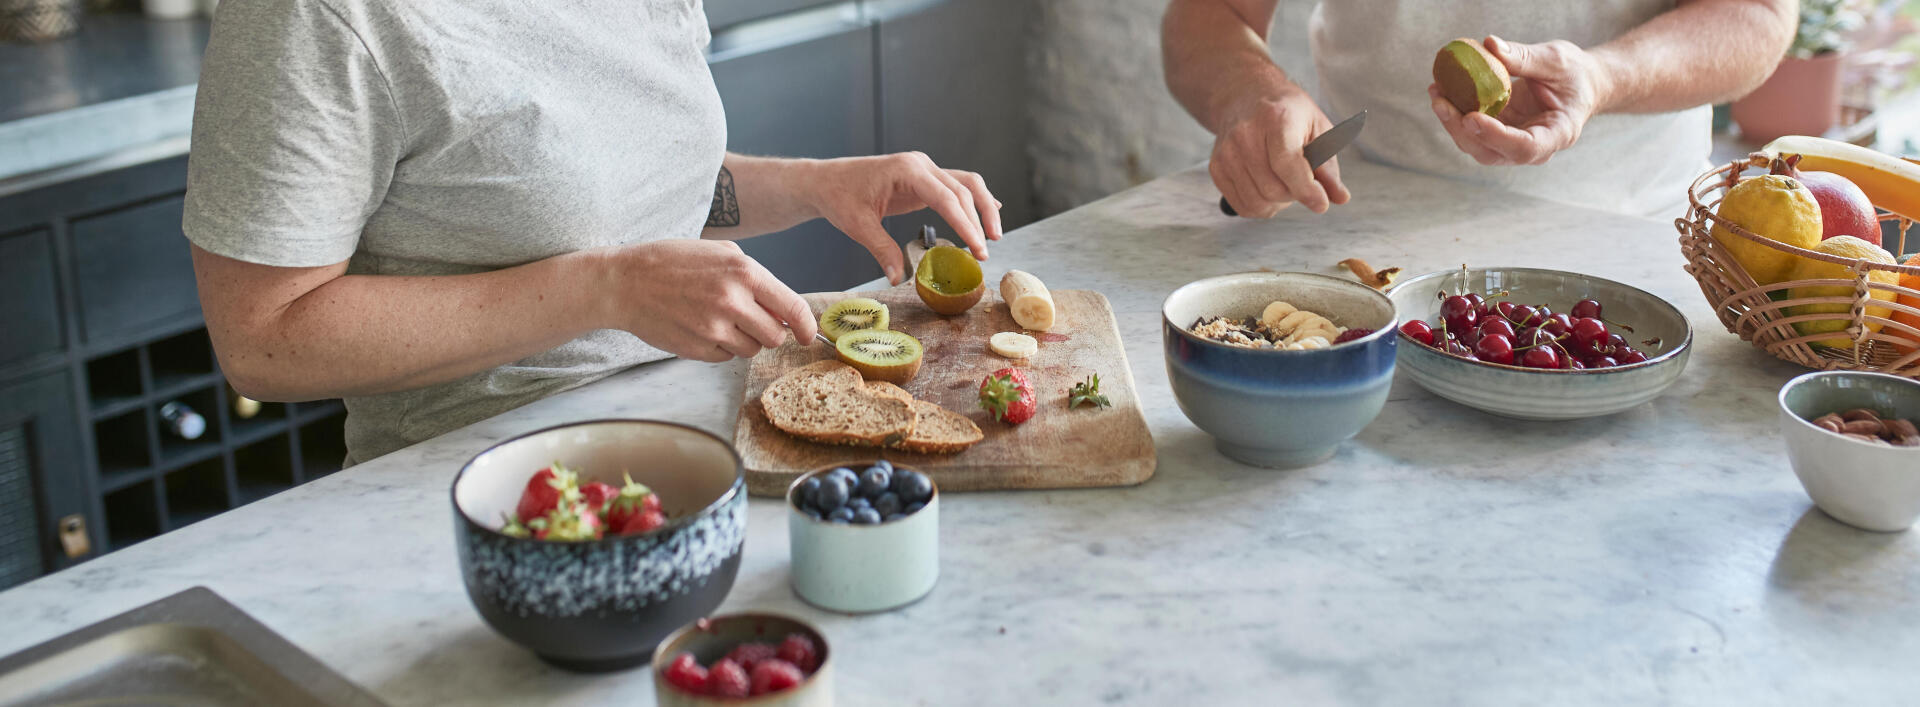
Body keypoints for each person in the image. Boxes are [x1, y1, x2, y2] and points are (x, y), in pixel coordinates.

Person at [184, 0, 1002, 465]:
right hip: (481, 484)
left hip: (711, 441)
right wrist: (607, 288)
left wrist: (817, 185)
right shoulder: (312, 16)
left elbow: (625, 190)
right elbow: (263, 337)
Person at [1162, 0, 1797, 218]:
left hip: (1621, 230)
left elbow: (1756, 15)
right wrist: (1252, 92)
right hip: (1359, 230)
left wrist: (1603, 77)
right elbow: (1208, 17)